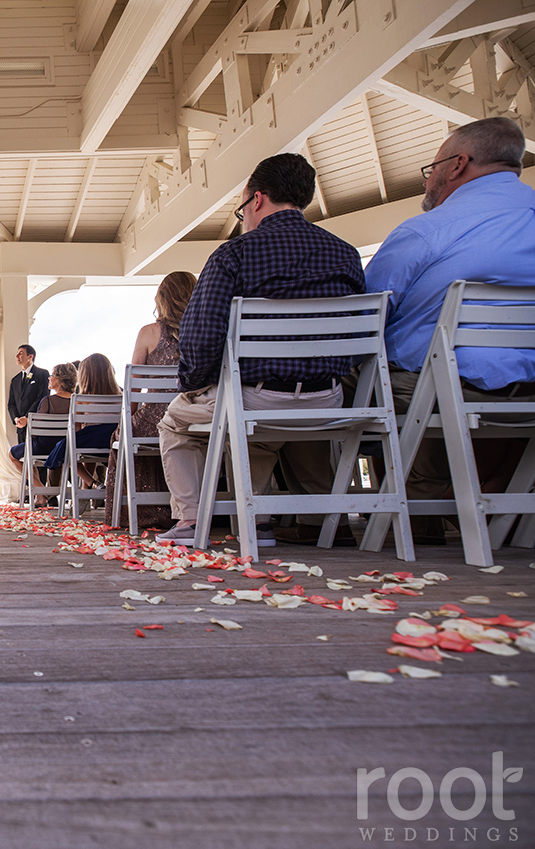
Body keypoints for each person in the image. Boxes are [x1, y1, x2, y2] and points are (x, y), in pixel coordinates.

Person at [155, 153, 364, 549]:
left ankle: (191, 521)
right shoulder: (345, 254)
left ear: (256, 200)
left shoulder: (234, 255)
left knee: (175, 423)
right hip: (329, 398)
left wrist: (194, 385)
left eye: (241, 210)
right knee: (273, 430)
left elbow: (200, 341)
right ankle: (314, 521)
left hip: (256, 396)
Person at [362, 116, 535, 543]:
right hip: (528, 392)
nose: (429, 181)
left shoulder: (427, 231)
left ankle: (412, 508)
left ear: (458, 164)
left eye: (432, 168)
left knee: (348, 372)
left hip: (438, 387)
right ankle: (492, 499)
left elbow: (363, 317)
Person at [102, 271, 196, 530]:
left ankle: (141, 512)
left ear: (162, 299)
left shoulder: (149, 332)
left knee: (122, 436)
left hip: (156, 418)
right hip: (197, 414)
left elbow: (134, 388)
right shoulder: (204, 329)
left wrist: (126, 423)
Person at [43, 354, 122, 493]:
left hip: (93, 440)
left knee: (67, 449)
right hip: (116, 440)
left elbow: (77, 430)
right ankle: (88, 488)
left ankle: (91, 483)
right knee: (84, 442)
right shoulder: (121, 396)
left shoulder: (81, 398)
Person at [8, 361, 77, 507]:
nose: (49, 378)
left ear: (59, 380)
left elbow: (35, 430)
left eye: (52, 376)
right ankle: (41, 494)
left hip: (44, 447)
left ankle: (40, 490)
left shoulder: (48, 401)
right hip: (68, 448)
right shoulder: (78, 402)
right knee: (30, 452)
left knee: (13, 454)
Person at [7, 344, 49, 446]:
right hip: (21, 428)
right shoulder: (15, 380)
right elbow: (11, 404)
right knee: (22, 457)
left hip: (36, 425)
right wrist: (16, 419)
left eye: (21, 353)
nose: (17, 356)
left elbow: (42, 398)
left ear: (30, 357)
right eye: (17, 353)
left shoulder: (42, 374)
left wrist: (28, 418)